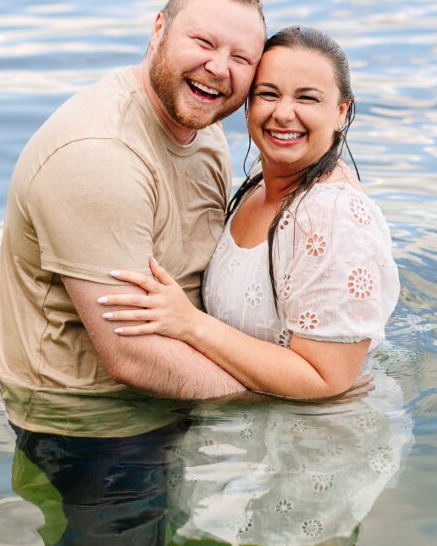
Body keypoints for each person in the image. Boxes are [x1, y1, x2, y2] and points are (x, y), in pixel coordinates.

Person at [0, 0, 268, 437]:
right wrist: (290, 392)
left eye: (241, 57)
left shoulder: (204, 129)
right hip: (89, 425)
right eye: (203, 42)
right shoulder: (99, 154)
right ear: (158, 30)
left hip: (178, 394)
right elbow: (132, 357)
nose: (219, 67)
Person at [98, 25, 400, 402]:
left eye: (307, 99)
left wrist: (190, 324)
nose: (283, 113)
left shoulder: (335, 216)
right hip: (239, 427)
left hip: (314, 446)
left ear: (341, 112)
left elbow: (327, 380)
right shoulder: (260, 184)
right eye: (268, 94)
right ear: (247, 104)